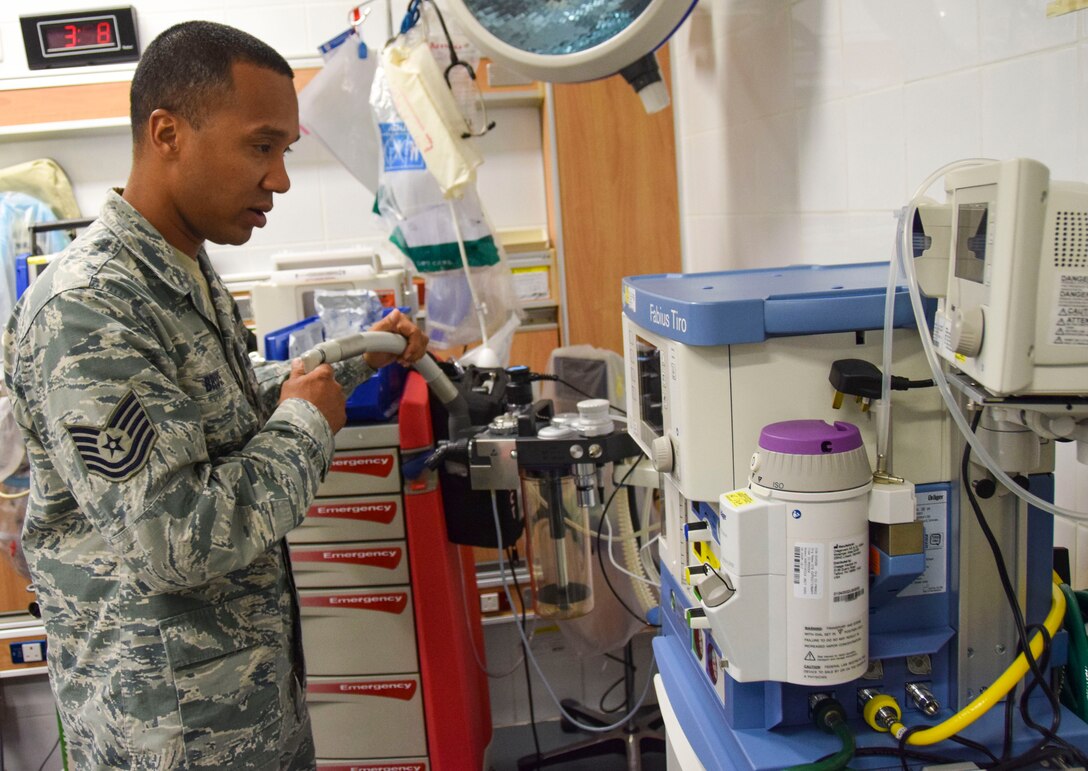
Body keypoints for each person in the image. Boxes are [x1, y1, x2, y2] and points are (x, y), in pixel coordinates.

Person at [3, 21, 427, 770]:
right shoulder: (87, 307)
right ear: (168, 132)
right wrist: (305, 424)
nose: (281, 179)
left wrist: (356, 358)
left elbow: (211, 417)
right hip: (172, 736)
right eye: (261, 146)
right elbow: (173, 538)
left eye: (286, 152)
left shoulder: (179, 269)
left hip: (246, 708)